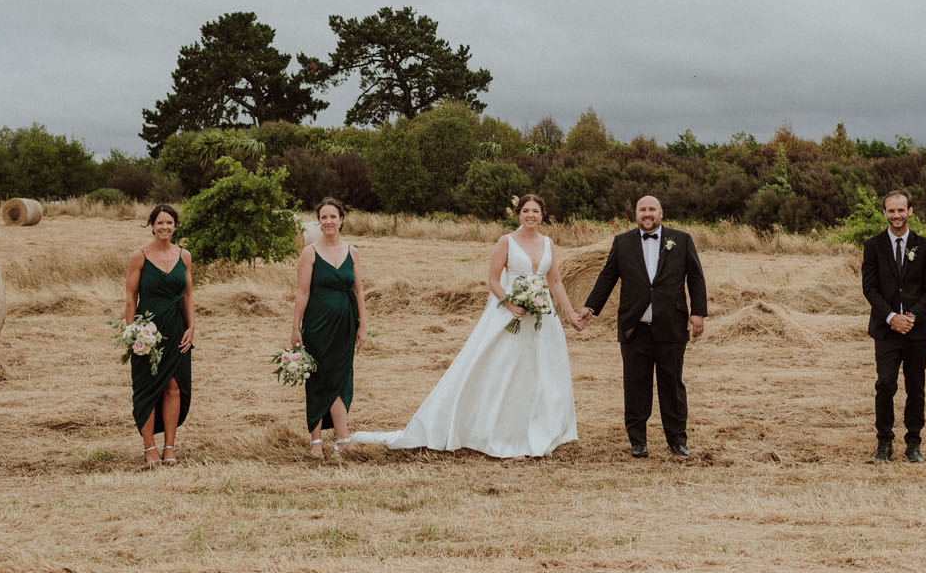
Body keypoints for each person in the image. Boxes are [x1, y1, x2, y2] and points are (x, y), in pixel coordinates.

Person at [349, 193, 581, 458]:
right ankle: (499, 432)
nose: (530, 215)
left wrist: (570, 314)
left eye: (535, 211)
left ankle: (540, 431)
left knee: (541, 374)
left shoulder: (549, 243)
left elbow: (555, 283)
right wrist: (509, 304)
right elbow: (493, 280)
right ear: (519, 214)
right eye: (526, 211)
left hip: (542, 319)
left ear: (542, 215)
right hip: (510, 315)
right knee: (505, 372)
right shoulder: (507, 242)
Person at [577, 195, 707, 458]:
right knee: (636, 385)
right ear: (636, 213)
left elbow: (695, 277)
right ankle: (638, 441)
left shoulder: (681, 240)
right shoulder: (622, 242)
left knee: (672, 384)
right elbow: (607, 276)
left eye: (652, 209)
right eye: (642, 209)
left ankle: (677, 440)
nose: (647, 214)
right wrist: (590, 307)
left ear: (661, 212)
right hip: (634, 328)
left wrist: (698, 313)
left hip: (671, 326)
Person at [860, 189, 926, 464]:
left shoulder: (925, 246)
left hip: (918, 332)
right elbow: (869, 288)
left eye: (901, 210)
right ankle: (884, 442)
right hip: (886, 331)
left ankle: (913, 443)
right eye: (891, 211)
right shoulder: (872, 246)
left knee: (916, 387)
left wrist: (912, 316)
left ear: (910, 212)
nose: (896, 215)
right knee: (885, 384)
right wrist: (892, 317)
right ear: (884, 213)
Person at [291, 197, 367, 460]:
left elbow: (359, 292)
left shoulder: (353, 252)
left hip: (346, 325)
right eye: (323, 217)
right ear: (319, 222)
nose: (328, 221)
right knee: (318, 378)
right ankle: (317, 440)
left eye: (333, 216)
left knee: (341, 378)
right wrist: (295, 328)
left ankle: (342, 440)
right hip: (318, 324)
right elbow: (302, 293)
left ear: (341, 219)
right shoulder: (309, 253)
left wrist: (363, 326)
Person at [123, 204, 194, 467]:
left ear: (175, 226)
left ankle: (170, 447)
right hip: (148, 331)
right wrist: (131, 332)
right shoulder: (139, 256)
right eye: (160, 223)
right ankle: (149, 446)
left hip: (176, 328)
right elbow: (131, 297)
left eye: (170, 223)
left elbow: (188, 294)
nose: (165, 227)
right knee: (148, 388)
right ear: (152, 225)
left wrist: (191, 326)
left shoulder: (184, 256)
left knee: (174, 387)